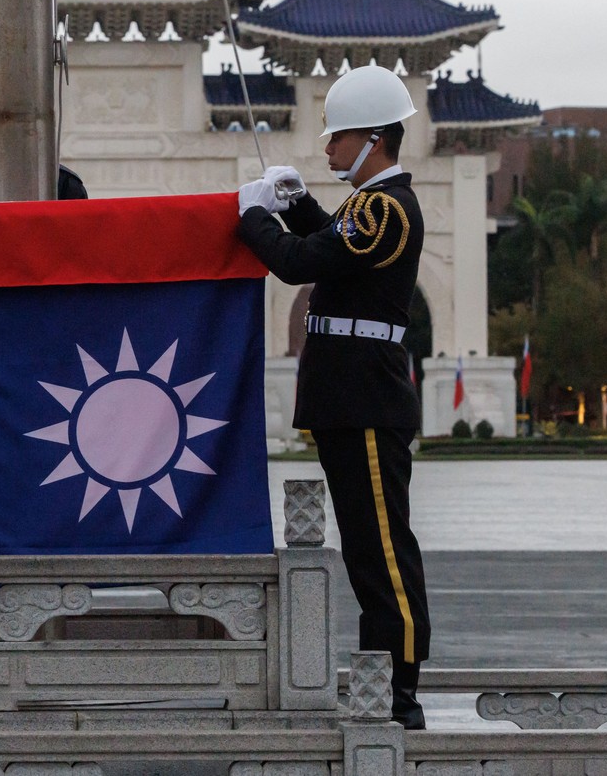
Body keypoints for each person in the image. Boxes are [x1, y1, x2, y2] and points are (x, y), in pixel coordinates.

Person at [234, 64, 430, 729]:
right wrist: (295, 205)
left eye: (338, 138)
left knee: (382, 550)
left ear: (373, 139)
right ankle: (387, 680)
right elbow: (329, 246)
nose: (328, 149)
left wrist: (253, 216)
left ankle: (399, 689)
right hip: (352, 397)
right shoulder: (368, 208)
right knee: (366, 548)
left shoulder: (384, 208)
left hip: (366, 399)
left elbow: (299, 262)